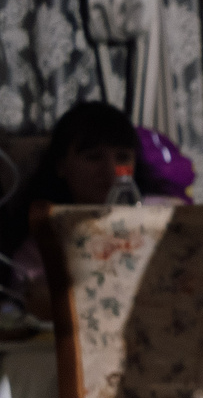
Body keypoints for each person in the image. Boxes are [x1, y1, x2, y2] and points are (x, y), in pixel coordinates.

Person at [3, 101, 143, 318]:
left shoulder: (160, 213)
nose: (111, 170)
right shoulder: (44, 239)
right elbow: (24, 305)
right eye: (93, 157)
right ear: (61, 166)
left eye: (123, 157)